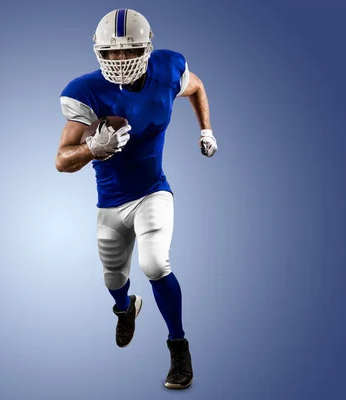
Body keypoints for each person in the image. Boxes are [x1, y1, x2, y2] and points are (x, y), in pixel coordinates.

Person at [54, 8, 217, 390]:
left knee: (156, 264)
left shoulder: (167, 69)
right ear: (99, 53)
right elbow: (61, 160)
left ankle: (178, 346)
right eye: (111, 54)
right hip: (110, 201)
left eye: (128, 52)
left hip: (152, 191)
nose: (119, 61)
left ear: (147, 48)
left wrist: (207, 129)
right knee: (113, 276)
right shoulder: (87, 91)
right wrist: (93, 148)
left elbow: (195, 86)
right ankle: (125, 309)